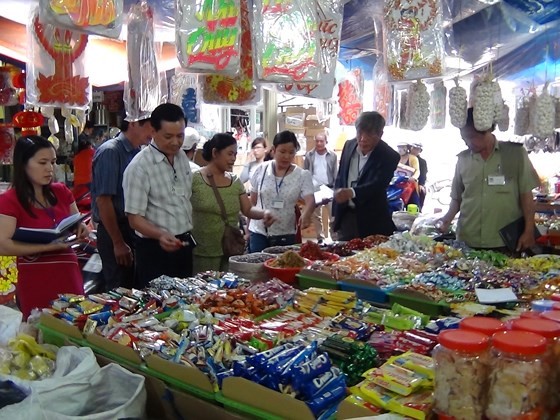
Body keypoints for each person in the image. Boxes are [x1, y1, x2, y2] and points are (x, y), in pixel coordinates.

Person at [0, 136, 89, 319]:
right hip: (35, 277)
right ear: (23, 164)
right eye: (42, 162)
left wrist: (81, 228)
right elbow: (3, 245)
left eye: (53, 162)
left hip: (68, 272)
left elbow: (76, 222)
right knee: (40, 332)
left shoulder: (62, 192)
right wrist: (49, 247)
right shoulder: (9, 200)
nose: (50, 168)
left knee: (76, 325)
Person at [439, 108, 540, 251]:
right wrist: (446, 220)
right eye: (464, 138)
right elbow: (457, 198)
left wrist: (529, 230)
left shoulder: (515, 154)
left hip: (504, 240)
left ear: (487, 131)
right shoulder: (463, 159)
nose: (468, 143)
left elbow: (526, 196)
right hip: (468, 240)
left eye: (472, 137)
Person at [123, 103, 194, 287]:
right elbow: (134, 219)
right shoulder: (140, 167)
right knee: (159, 307)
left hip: (183, 245)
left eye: (180, 136)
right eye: (168, 136)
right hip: (155, 249)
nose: (176, 142)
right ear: (153, 131)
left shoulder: (181, 158)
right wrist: (161, 235)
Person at [191, 133, 275, 272]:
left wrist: (264, 213)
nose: (233, 159)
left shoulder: (235, 181)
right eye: (229, 154)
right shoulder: (195, 179)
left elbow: (247, 210)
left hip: (230, 249)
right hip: (202, 251)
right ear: (215, 153)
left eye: (235, 155)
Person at [91, 117, 152, 291]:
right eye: (150, 127)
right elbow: (104, 201)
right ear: (133, 123)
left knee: (135, 288)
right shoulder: (111, 151)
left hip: (133, 229)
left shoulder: (137, 152)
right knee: (119, 290)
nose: (153, 133)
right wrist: (117, 242)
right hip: (115, 230)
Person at [333, 111, 400, 240]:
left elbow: (378, 185)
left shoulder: (389, 156)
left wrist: (351, 192)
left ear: (380, 134)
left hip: (372, 220)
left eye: (369, 134)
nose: (363, 139)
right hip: (346, 216)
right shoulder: (349, 145)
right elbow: (341, 177)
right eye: (360, 133)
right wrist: (335, 214)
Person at [248, 130, 315, 252]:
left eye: (291, 152)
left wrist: (306, 213)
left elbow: (310, 200)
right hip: (258, 232)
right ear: (273, 150)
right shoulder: (261, 170)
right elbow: (251, 203)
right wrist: (248, 230)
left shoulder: (302, 175)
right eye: (282, 151)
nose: (287, 156)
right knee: (257, 268)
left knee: (282, 268)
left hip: (285, 233)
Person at [304, 132, 337, 241]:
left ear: (325, 142)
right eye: (317, 141)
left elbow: (335, 172)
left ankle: (334, 237)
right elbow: (306, 172)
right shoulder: (309, 155)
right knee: (316, 216)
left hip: (329, 187)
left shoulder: (332, 155)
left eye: (321, 141)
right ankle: (320, 238)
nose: (319, 143)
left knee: (333, 215)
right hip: (315, 189)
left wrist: (336, 188)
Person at [410, 142, 428, 208]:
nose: (415, 150)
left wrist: (421, 184)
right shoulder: (404, 157)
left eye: (417, 149)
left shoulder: (422, 161)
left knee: (422, 191)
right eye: (414, 148)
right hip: (403, 180)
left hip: (415, 182)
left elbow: (423, 173)